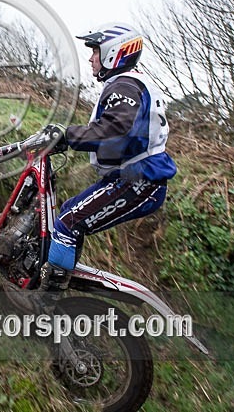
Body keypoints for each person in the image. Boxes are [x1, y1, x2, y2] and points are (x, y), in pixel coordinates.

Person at [38, 22, 176, 300]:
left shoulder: (126, 86)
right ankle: (60, 276)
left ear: (114, 53)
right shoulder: (131, 84)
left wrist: (68, 136)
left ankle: (46, 303)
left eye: (95, 52)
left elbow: (114, 129)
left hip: (138, 181)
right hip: (135, 177)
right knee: (69, 212)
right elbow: (123, 135)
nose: (90, 58)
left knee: (67, 222)